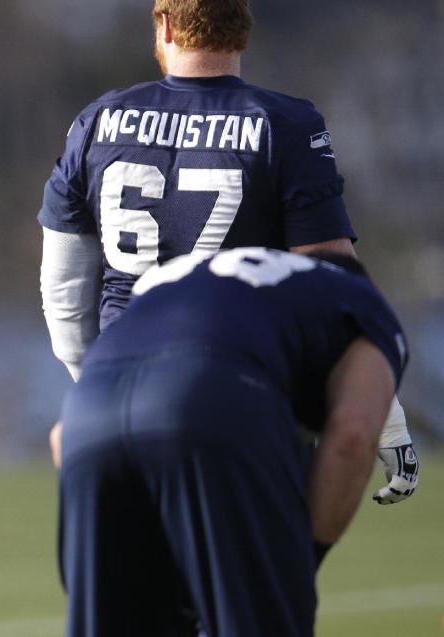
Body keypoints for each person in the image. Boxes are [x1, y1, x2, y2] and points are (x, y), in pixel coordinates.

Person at [38, 0, 417, 503]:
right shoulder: (286, 123)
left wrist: (96, 385)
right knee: (254, 575)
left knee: (130, 577)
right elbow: (336, 283)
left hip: (118, 392)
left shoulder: (96, 122)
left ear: (166, 24)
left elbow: (63, 289)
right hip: (238, 393)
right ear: (243, 28)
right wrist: (383, 412)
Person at [58, 247, 408, 636]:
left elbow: (61, 440)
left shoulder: (188, 283)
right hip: (208, 395)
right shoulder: (358, 301)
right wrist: (299, 559)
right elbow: (353, 437)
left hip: (84, 415)